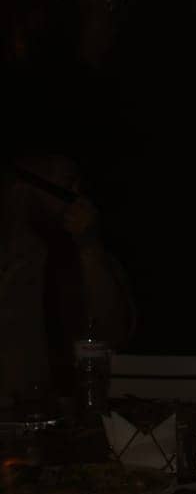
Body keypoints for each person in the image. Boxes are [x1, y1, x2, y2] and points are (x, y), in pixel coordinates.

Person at [0, 144, 135, 409]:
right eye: (66, 184)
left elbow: (111, 335)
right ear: (21, 187)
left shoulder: (81, 260)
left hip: (50, 422)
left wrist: (89, 248)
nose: (77, 197)